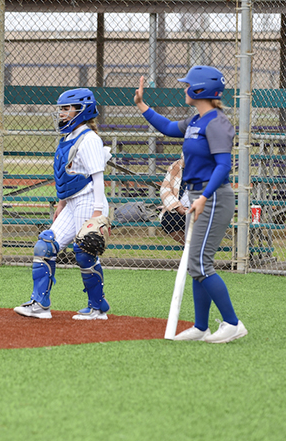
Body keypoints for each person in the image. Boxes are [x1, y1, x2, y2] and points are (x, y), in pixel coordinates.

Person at [134, 65, 247, 343]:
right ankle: (200, 327)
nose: (184, 89)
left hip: (214, 196)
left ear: (201, 89)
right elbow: (169, 128)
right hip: (198, 196)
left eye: (188, 85)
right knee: (197, 264)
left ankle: (233, 323)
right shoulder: (196, 120)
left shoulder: (217, 122)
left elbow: (223, 166)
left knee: (200, 263)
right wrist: (142, 106)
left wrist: (204, 198)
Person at [14, 88, 111, 321]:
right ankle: (39, 304)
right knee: (45, 246)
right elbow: (68, 175)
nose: (62, 113)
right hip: (72, 202)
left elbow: (97, 177)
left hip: (89, 199)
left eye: (67, 108)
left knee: (85, 251)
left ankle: (97, 308)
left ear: (82, 109)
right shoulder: (68, 137)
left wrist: (98, 213)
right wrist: (61, 204)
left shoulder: (89, 139)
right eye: (62, 109)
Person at [159, 157, 189, 245]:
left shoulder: (208, 166)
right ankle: (192, 247)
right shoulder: (176, 166)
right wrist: (177, 206)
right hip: (179, 209)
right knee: (167, 221)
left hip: (202, 208)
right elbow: (165, 190)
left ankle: (196, 249)